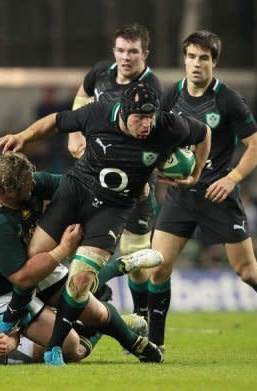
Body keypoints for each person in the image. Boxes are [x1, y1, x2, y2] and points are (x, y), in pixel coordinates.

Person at [0, 81, 211, 365]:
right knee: (34, 258)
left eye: (151, 116)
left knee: (80, 280)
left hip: (113, 209)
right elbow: (56, 121)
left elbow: (204, 133)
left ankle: (54, 346)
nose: (147, 124)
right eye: (140, 118)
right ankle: (11, 317)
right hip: (76, 192)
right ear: (123, 112)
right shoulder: (98, 114)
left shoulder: (169, 127)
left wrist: (195, 173)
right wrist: (25, 136)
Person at [147, 30, 257, 354]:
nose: (196, 64)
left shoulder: (228, 100)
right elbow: (158, 139)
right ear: (184, 59)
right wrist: (160, 168)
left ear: (214, 62)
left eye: (204, 58)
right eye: (191, 57)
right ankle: (155, 343)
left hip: (217, 194)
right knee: (158, 268)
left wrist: (232, 178)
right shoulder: (170, 97)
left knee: (247, 272)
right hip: (182, 195)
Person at [0, 151, 164, 365]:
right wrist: (63, 248)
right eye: (27, 183)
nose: (33, 183)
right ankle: (97, 314)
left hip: (38, 263)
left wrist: (128, 188)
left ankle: (136, 344)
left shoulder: (29, 183)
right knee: (72, 347)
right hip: (1, 291)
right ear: (8, 191)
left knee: (96, 312)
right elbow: (23, 278)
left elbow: (79, 188)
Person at [68, 23, 163, 318]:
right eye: (121, 50)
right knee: (78, 239)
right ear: (114, 51)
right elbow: (83, 93)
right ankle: (89, 299)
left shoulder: (151, 88)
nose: (126, 57)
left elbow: (152, 136)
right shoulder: (100, 73)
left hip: (132, 185)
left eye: (133, 51)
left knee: (135, 256)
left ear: (144, 54)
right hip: (92, 179)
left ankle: (140, 314)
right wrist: (75, 133)